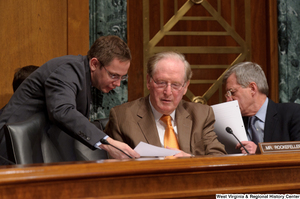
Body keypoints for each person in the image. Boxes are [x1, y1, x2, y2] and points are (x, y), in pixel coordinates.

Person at [0, 35, 140, 165]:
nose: (118, 84)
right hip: (8, 147)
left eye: (123, 77)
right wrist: (108, 143)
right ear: (94, 64)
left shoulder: (83, 74)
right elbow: (62, 111)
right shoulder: (67, 70)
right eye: (114, 75)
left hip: (33, 147)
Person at [105, 51, 226, 157]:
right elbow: (116, 167)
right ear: (149, 81)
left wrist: (191, 160)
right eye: (161, 83)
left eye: (175, 85)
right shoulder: (122, 117)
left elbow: (218, 158)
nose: (168, 92)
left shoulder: (202, 115)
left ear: (185, 87)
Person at [223, 61, 300, 154]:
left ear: (252, 88)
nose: (228, 100)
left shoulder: (293, 113)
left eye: (232, 92)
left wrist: (260, 151)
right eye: (227, 95)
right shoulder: (233, 124)